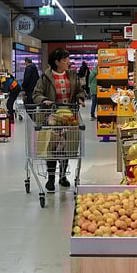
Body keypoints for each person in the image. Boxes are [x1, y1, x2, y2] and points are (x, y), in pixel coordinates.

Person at [33, 48, 85, 193]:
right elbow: (36, 93)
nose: (68, 62)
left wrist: (80, 97)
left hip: (69, 117)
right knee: (51, 147)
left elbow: (80, 90)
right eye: (64, 60)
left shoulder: (72, 75)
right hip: (51, 117)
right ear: (56, 62)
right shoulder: (45, 77)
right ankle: (50, 178)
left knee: (66, 147)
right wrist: (44, 100)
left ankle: (62, 176)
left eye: (67, 59)